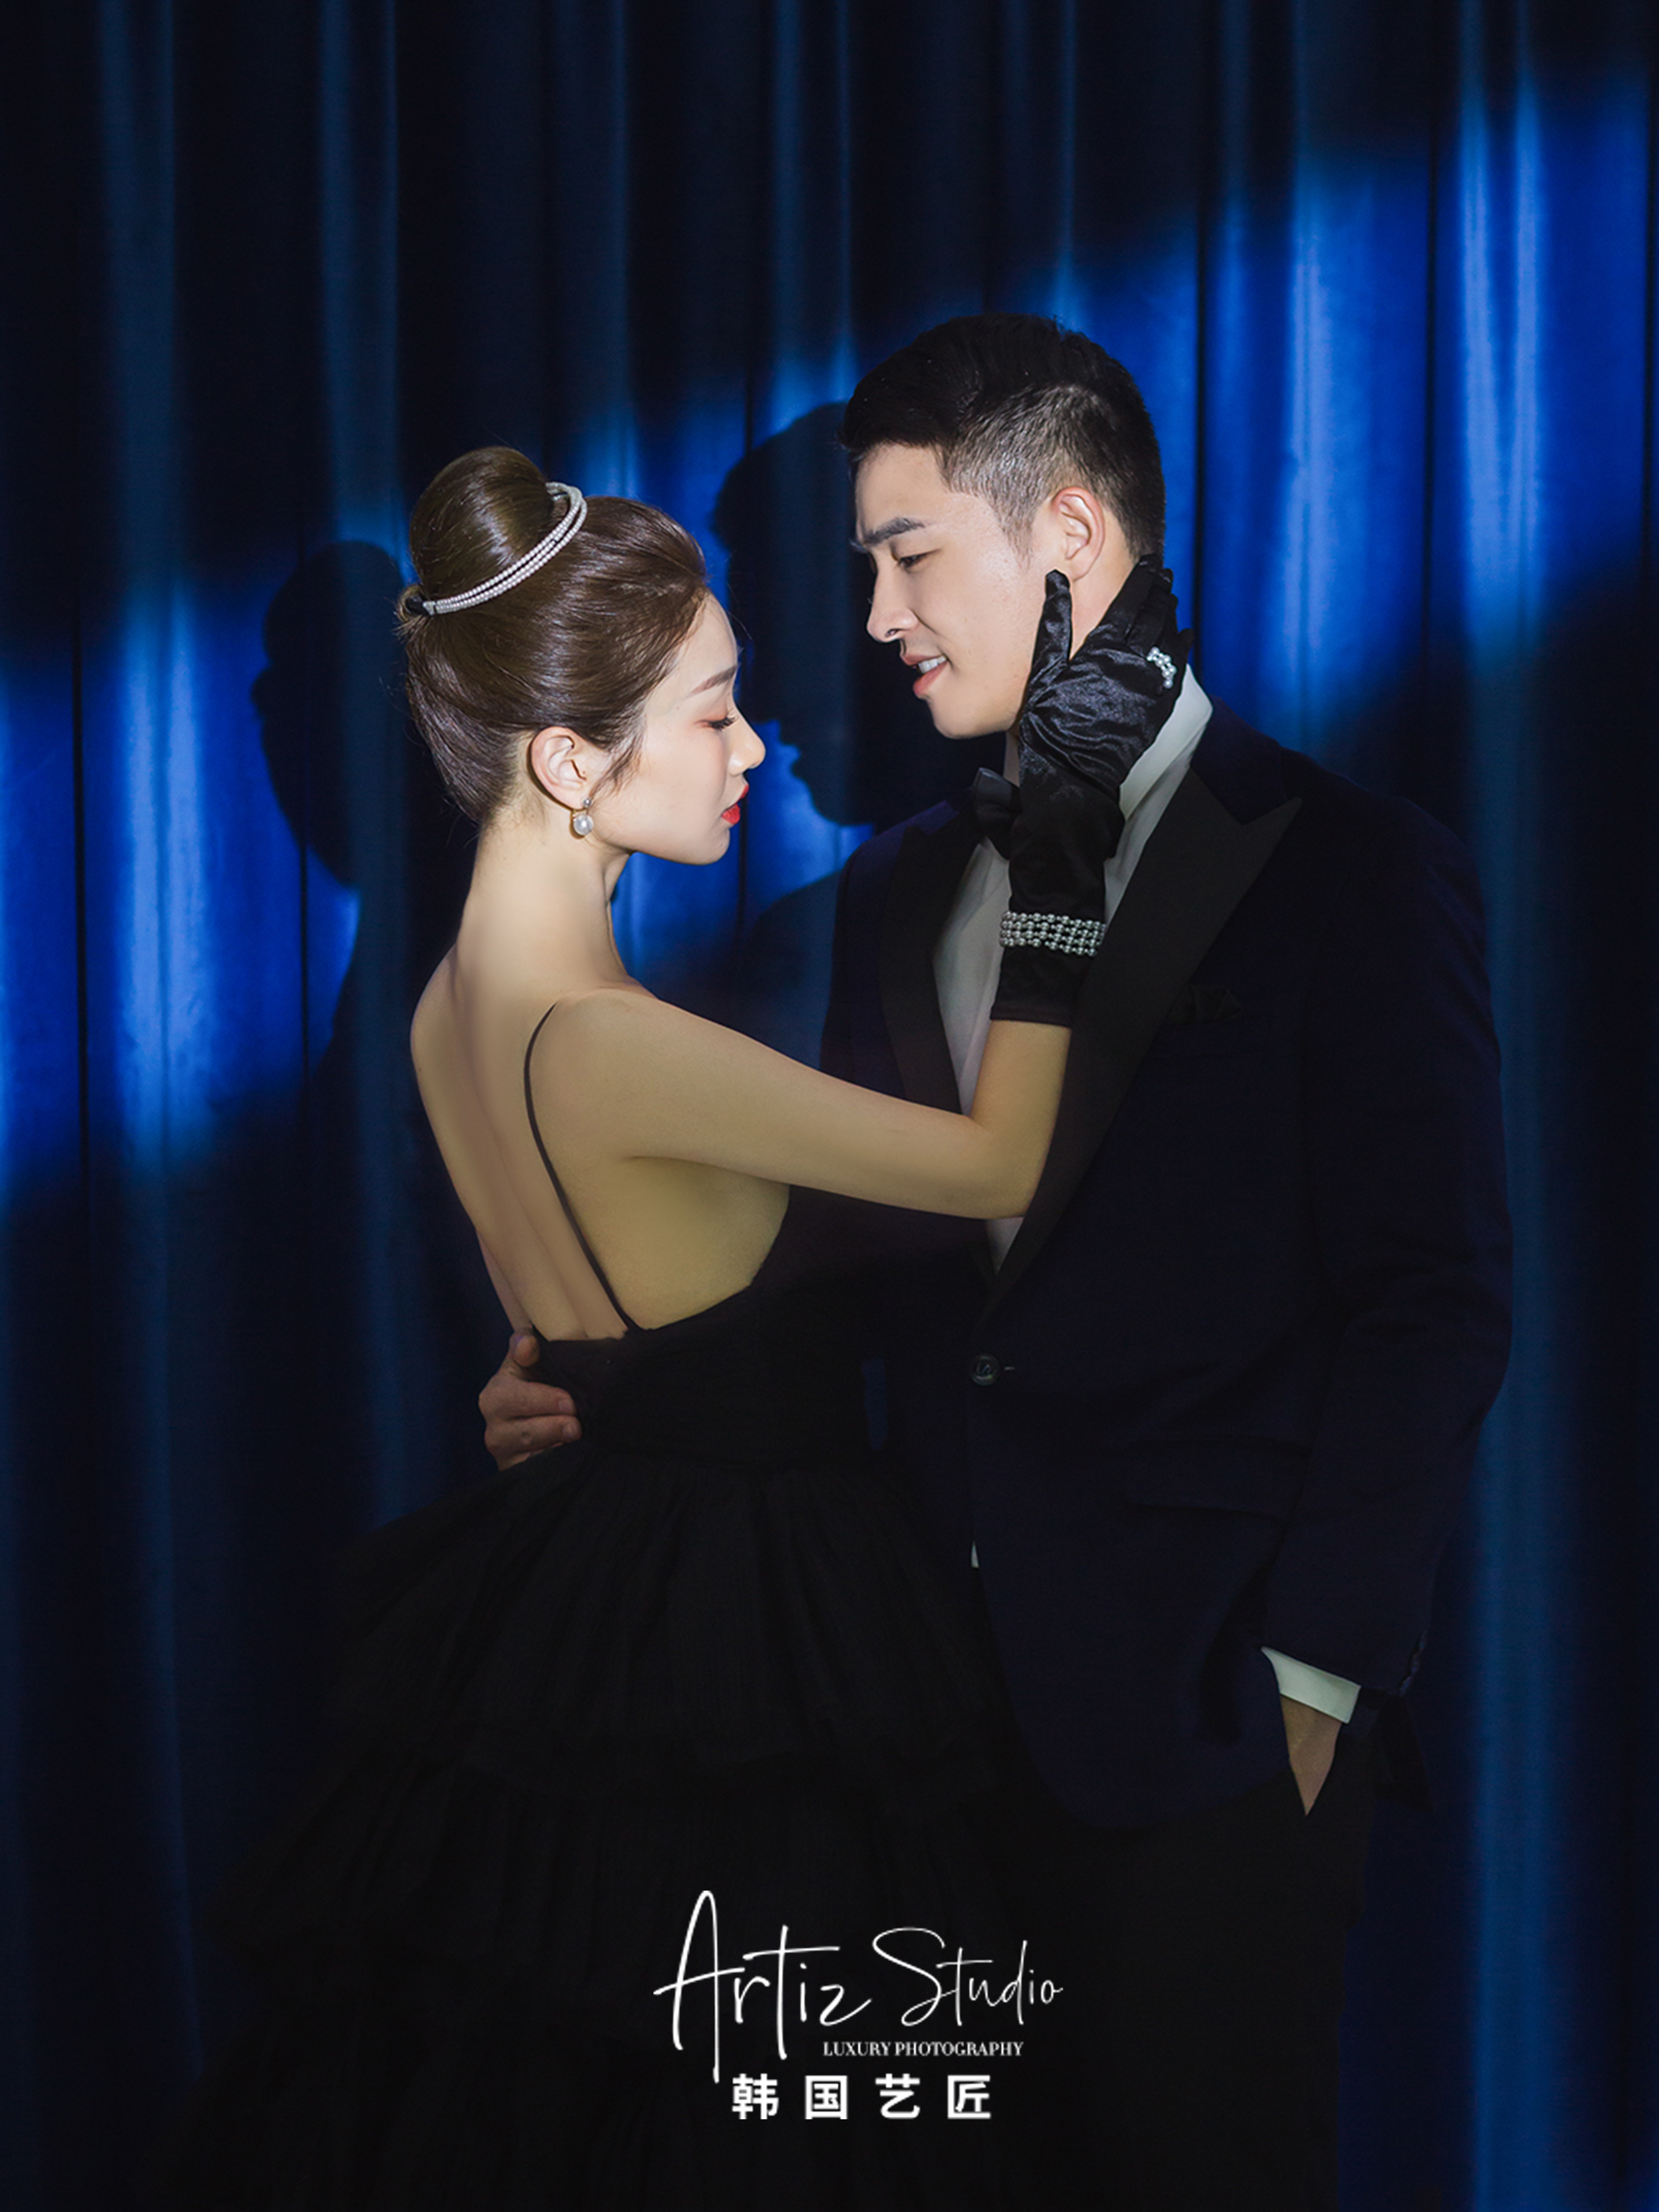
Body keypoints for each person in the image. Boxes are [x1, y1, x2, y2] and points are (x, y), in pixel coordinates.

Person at [485, 316, 1514, 2209]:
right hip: (920, 1734)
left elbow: (1433, 1302)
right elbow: (868, 1277)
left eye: (906, 556)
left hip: (1209, 1727)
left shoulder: (1352, 869)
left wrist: (1309, 1684)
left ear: (1070, 538)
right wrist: (603, 1378)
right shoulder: (899, 885)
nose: (875, 619)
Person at [154, 443, 1189, 2208]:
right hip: (751, 1635)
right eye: (713, 715)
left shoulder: (440, 1009)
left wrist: (544, 1385)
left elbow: (567, 1351)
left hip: (583, 1595)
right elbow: (1003, 1160)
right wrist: (1060, 870)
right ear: (570, 760)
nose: (754, 752)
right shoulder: (613, 1041)